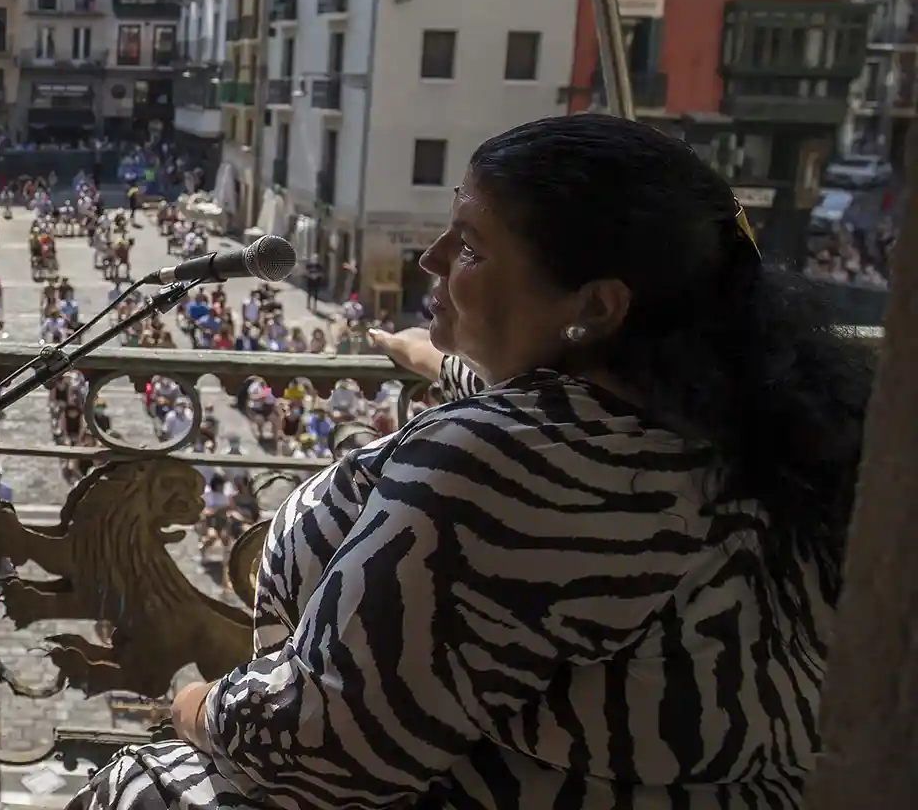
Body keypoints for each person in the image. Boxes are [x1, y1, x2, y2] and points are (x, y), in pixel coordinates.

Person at [71, 114, 871, 808]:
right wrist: (432, 357)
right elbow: (560, 413)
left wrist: (193, 704)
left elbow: (319, 752)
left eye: (471, 249)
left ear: (595, 307)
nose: (430, 260)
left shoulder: (500, 463)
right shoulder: (741, 419)